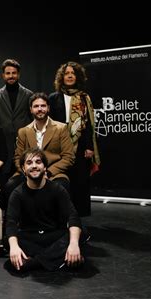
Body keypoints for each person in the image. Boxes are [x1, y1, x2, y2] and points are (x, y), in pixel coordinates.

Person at [4, 148, 85, 275]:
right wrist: (14, 247)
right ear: (23, 169)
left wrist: (74, 244)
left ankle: (34, 262)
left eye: (38, 162)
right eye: (29, 163)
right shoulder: (17, 194)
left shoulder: (58, 189)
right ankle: (58, 259)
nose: (34, 166)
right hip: (30, 237)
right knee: (9, 240)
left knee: (80, 234)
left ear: (45, 167)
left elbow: (73, 216)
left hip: (53, 236)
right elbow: (11, 223)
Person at [0, 92, 75, 211]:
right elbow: (18, 157)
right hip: (27, 173)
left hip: (53, 173)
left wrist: (47, 172)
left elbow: (68, 157)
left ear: (48, 108)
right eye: (36, 106)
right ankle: (16, 221)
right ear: (31, 109)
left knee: (61, 188)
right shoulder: (23, 131)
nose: (40, 109)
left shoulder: (61, 128)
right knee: (8, 187)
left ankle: (56, 225)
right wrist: (28, 172)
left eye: (43, 106)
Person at [49, 61, 100, 217]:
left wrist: (90, 147)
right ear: (61, 77)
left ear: (77, 77)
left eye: (73, 73)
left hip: (80, 147)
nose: (70, 75)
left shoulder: (84, 98)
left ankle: (78, 219)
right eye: (66, 73)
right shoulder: (53, 97)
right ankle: (61, 216)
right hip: (59, 147)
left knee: (80, 184)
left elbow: (90, 125)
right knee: (62, 183)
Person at [0, 59, 33, 175]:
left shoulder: (29, 95)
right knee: (5, 180)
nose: (11, 76)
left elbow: (33, 120)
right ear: (3, 75)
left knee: (24, 176)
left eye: (14, 73)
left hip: (24, 144)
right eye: (8, 73)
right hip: (4, 144)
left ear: (18, 74)